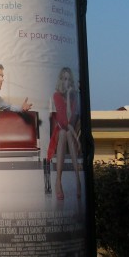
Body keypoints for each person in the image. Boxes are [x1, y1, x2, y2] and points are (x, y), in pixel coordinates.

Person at [48, 67, 81, 199]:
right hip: (59, 130)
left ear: (71, 81)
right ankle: (59, 181)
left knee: (66, 133)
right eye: (63, 79)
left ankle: (77, 180)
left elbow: (70, 120)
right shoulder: (56, 96)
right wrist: (76, 137)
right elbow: (63, 121)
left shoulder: (74, 97)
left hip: (69, 131)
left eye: (68, 79)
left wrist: (68, 96)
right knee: (63, 132)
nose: (65, 82)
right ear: (60, 80)